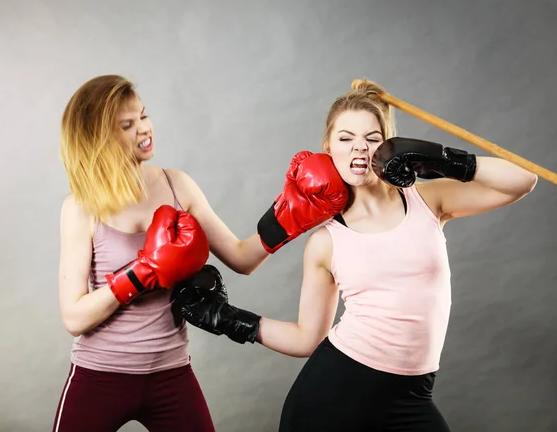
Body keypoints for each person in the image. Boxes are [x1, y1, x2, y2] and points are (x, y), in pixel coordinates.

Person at [170, 78, 539, 432]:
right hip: (338, 391)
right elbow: (306, 338)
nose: (359, 147)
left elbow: (522, 181)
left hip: (412, 395)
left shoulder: (429, 201)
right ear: (328, 148)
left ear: (390, 146)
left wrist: (441, 159)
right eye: (346, 138)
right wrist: (228, 319)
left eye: (372, 138)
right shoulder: (326, 241)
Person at [52, 74, 349, 432]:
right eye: (127, 125)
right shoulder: (81, 207)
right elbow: (74, 317)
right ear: (99, 138)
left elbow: (242, 258)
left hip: (170, 374)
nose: (144, 129)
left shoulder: (177, 185)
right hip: (99, 376)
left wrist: (287, 220)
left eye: (143, 116)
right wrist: (142, 272)